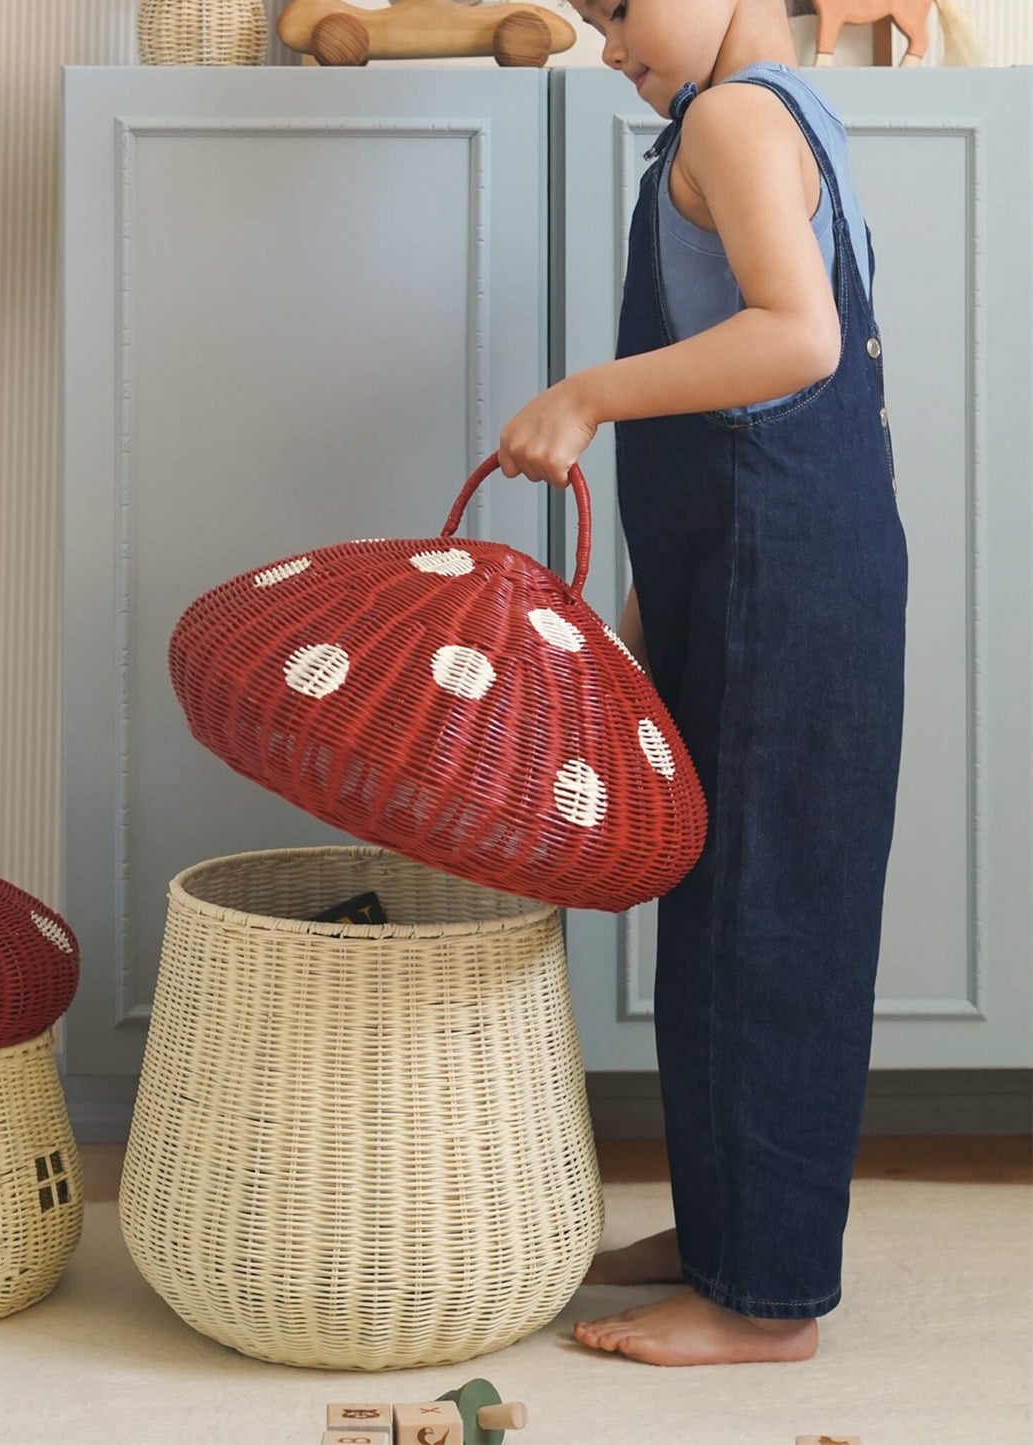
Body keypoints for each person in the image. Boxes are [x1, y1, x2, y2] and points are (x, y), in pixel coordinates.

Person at [498, 0, 908, 1366]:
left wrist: (587, 393)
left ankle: (760, 1298)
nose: (603, 38)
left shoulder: (731, 117)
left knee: (761, 924)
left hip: (775, 573)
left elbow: (793, 342)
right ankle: (733, 1223)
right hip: (767, 564)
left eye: (618, 9)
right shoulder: (782, 113)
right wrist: (642, 602)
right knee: (737, 911)